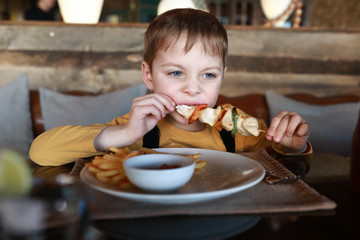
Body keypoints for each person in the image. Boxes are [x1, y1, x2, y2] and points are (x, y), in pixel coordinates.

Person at [30, 8, 311, 166]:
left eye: (208, 76)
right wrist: (124, 133)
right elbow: (40, 152)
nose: (193, 89)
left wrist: (293, 146)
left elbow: (280, 158)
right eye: (176, 72)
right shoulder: (138, 129)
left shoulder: (234, 130)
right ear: (149, 76)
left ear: (222, 77)